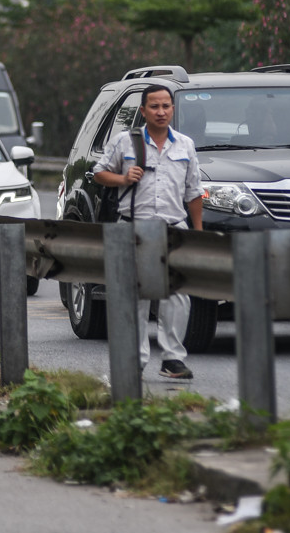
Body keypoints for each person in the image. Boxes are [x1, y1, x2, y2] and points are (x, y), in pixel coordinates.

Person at [93, 84, 203, 381]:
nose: (161, 111)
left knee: (178, 296)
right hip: (133, 228)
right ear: (143, 111)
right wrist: (123, 177)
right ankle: (134, 360)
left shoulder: (185, 145)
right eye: (154, 106)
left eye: (166, 106)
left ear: (173, 109)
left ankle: (172, 359)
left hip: (173, 230)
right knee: (135, 296)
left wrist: (198, 233)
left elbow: (194, 193)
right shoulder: (125, 142)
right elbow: (99, 173)